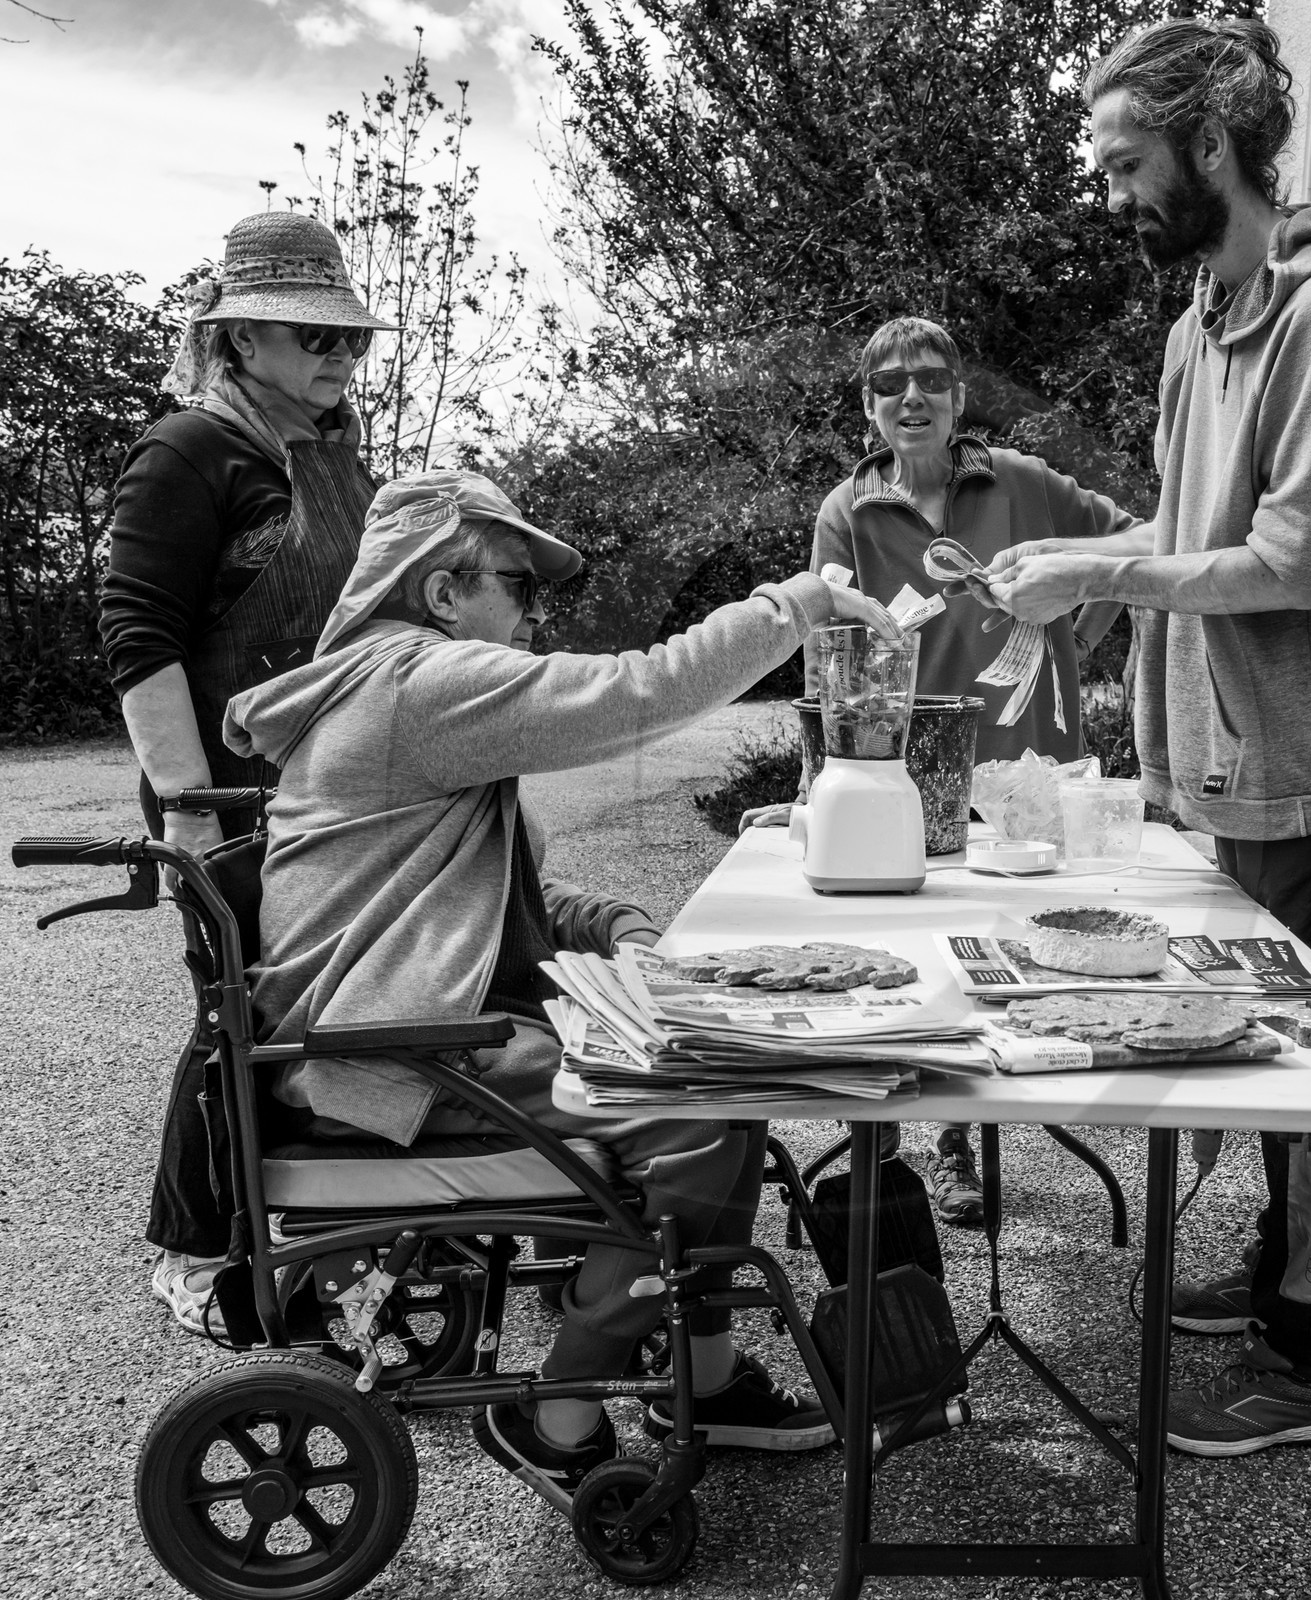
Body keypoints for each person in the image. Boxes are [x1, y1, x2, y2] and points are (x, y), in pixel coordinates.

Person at [222, 469, 901, 1490]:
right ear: (442, 590)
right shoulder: (417, 680)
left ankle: (704, 1383)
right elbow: (638, 689)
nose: (534, 612)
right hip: (389, 1051)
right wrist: (791, 605)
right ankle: (558, 1413)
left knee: (731, 1088)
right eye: (517, 584)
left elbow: (508, 890)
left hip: (425, 1021)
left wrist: (623, 925)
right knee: (698, 1111)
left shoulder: (400, 687)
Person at [965, 18, 1311, 1455]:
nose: (1111, 199)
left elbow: (1293, 559)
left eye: (1126, 166)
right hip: (1227, 757)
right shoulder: (1200, 323)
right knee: (1256, 1024)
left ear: (1215, 145)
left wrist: (1100, 574)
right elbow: (1183, 537)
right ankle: (1285, 1262)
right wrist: (1054, 593)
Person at [99, 211, 393, 1334]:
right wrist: (186, 810)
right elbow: (140, 640)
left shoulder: (327, 450)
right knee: (237, 1017)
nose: (337, 355)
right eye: (306, 335)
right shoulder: (187, 450)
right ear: (236, 340)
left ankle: (321, 1237)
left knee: (323, 1017)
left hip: (331, 790)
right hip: (226, 794)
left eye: (346, 339)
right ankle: (194, 1251)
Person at [791, 315, 1137, 1226]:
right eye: (890, 384)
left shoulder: (1021, 482)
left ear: (959, 399)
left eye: (932, 380)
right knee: (906, 958)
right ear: (869, 408)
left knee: (1006, 951)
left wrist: (1079, 627)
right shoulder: (849, 512)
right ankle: (908, 1142)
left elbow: (1131, 543)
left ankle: (965, 1126)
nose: (913, 396)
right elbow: (828, 661)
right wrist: (814, 786)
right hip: (903, 777)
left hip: (1028, 772)